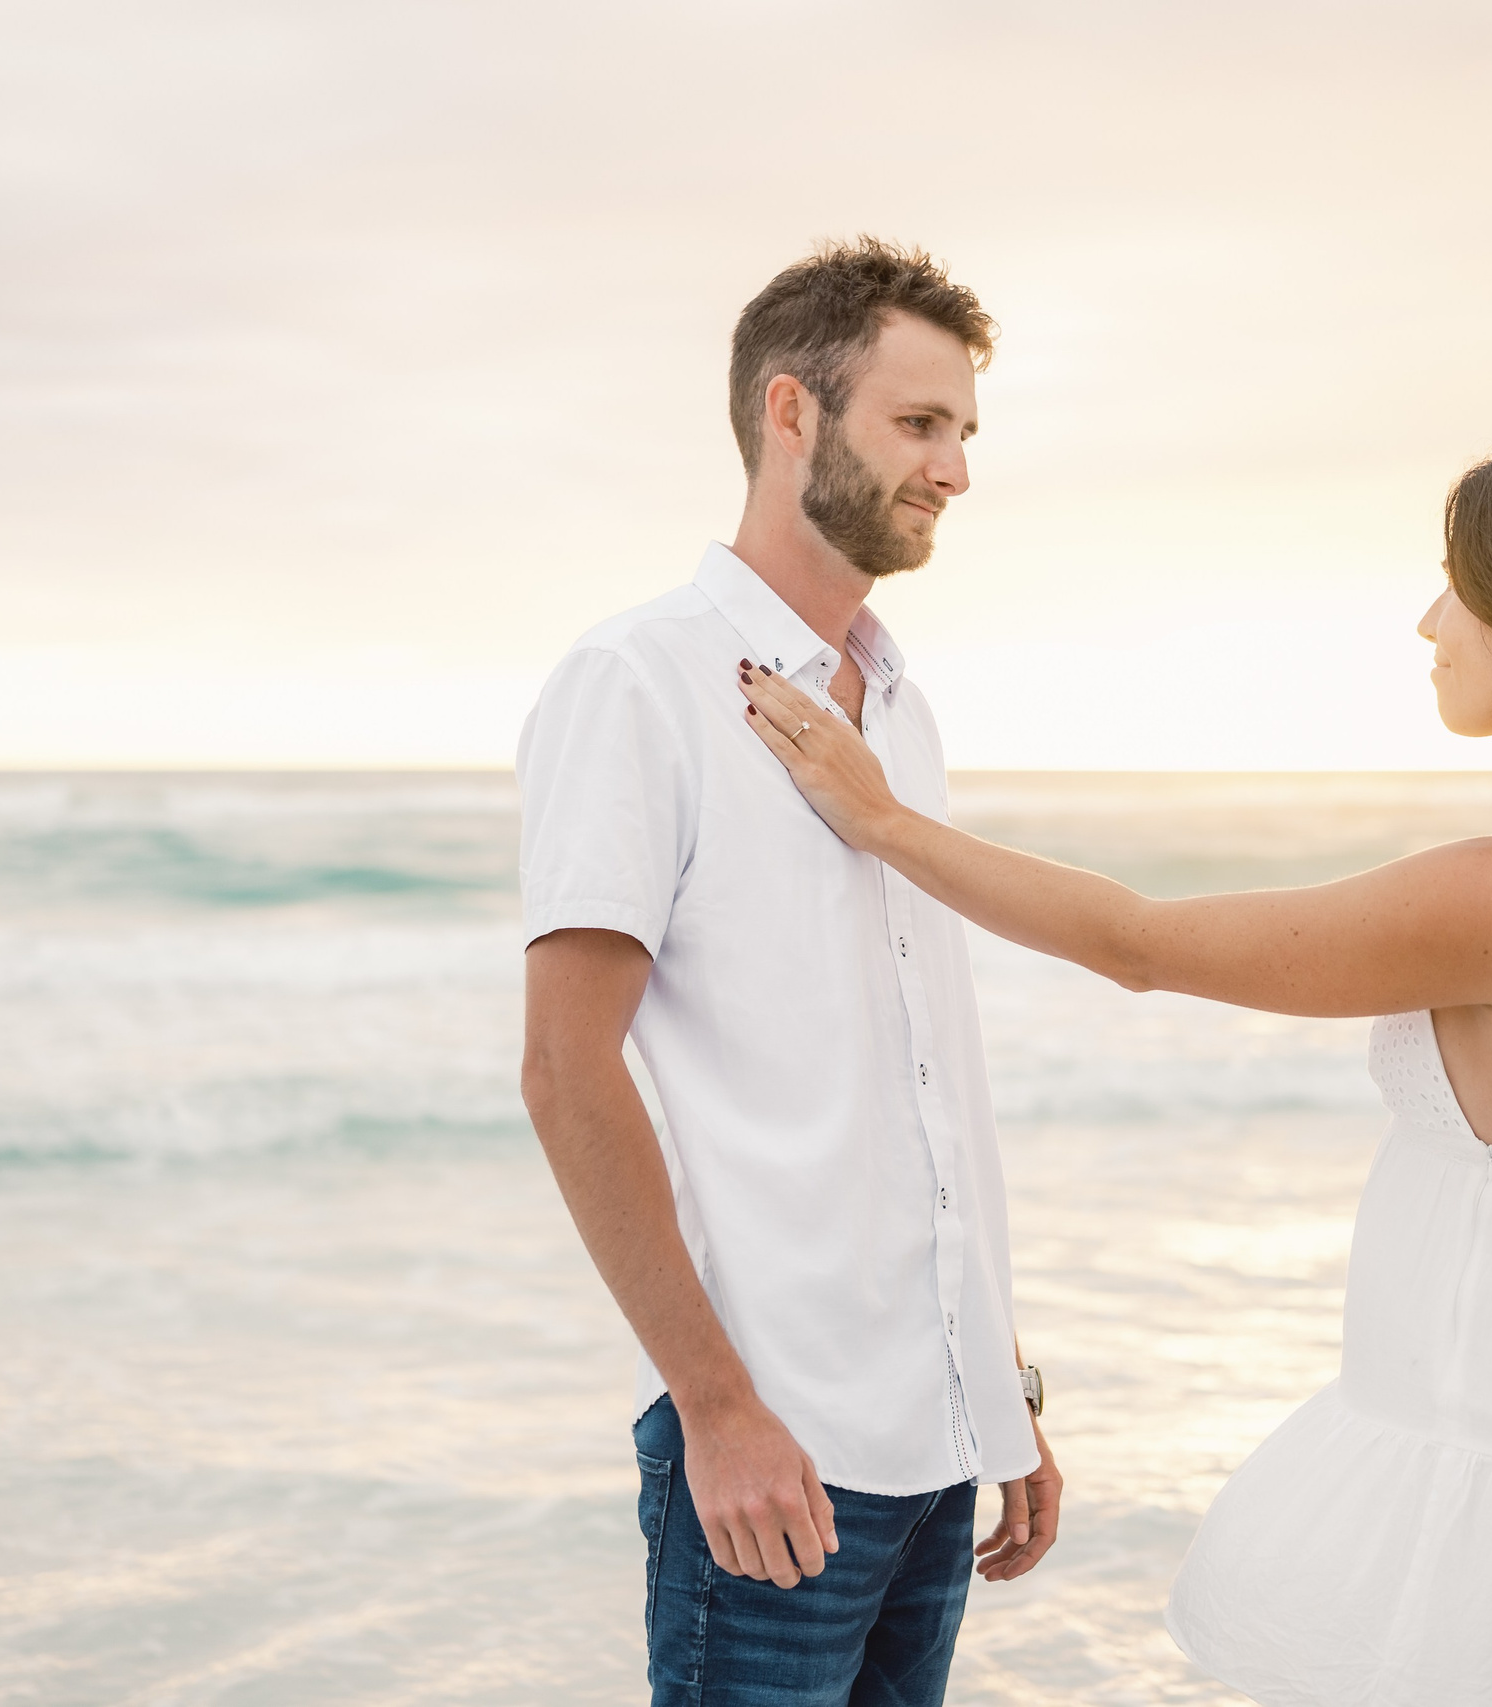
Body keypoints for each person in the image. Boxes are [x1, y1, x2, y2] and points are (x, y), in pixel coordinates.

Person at [735, 438, 1492, 1704]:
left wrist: (879, 821)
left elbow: (1139, 944)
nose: (1430, 621)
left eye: (1458, 584)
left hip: (1486, 1514)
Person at [515, 238, 1060, 1707]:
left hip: (937, 1446)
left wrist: (996, 1384)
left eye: (963, 431)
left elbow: (920, 1075)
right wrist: (717, 1406)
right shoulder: (638, 681)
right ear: (792, 413)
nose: (954, 468)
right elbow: (567, 1070)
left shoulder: (898, 703)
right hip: (777, 1452)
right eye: (920, 423)